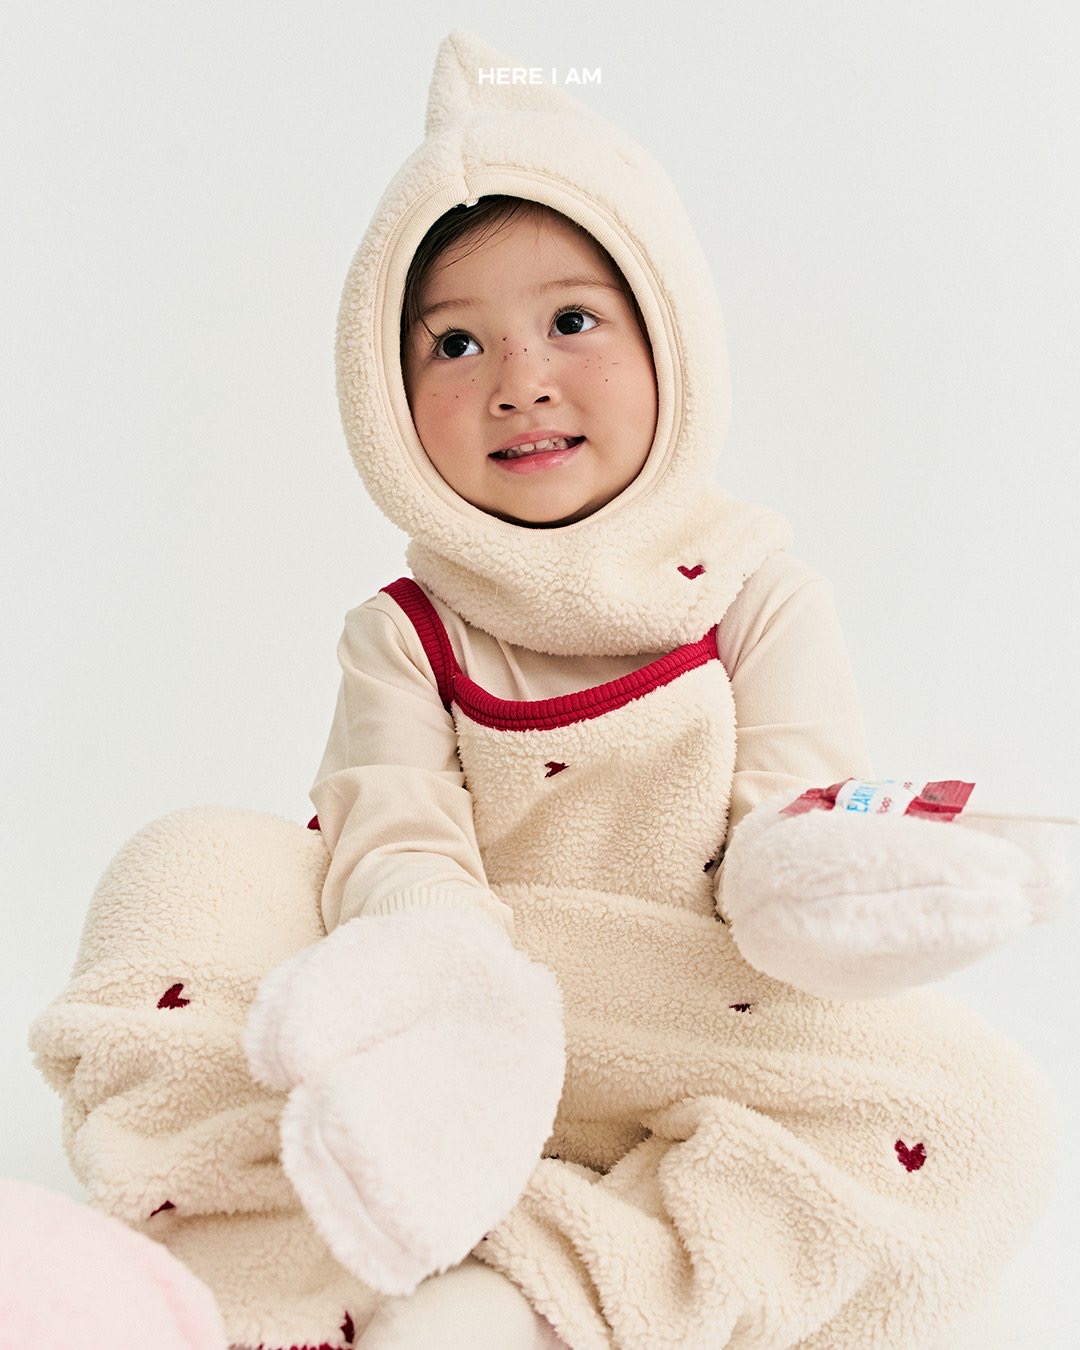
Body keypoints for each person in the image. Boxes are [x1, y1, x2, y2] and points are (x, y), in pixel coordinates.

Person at [32, 31, 1064, 1350]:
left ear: (671, 341)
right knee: (186, 867)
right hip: (448, 1014)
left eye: (572, 321)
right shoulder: (404, 632)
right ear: (385, 397)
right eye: (456, 343)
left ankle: (522, 1292)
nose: (519, 382)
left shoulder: (754, 592)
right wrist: (451, 990)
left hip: (693, 1009)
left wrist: (844, 883)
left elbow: (787, 812)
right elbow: (393, 837)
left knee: (983, 1113)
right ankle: (346, 1228)